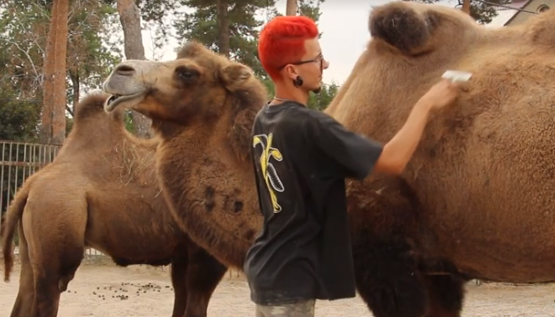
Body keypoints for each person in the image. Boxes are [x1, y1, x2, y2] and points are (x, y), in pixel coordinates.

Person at [243, 15, 462, 317]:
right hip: (290, 274)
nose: (325, 65)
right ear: (292, 70)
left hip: (269, 262)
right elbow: (392, 160)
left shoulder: (265, 118)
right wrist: (425, 105)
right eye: (317, 59)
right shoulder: (310, 125)